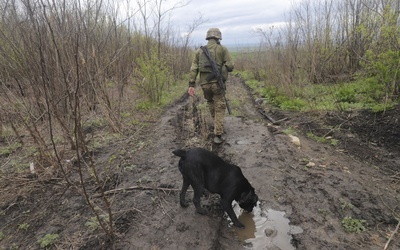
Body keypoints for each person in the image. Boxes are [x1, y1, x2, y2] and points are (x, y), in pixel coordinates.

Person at [188, 28, 234, 144]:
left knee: (210, 103)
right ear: (218, 37)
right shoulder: (222, 49)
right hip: (217, 84)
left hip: (204, 84)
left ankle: (216, 124)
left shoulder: (199, 51)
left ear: (208, 37)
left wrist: (191, 85)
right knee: (220, 106)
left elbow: (194, 68)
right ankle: (218, 133)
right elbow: (230, 66)